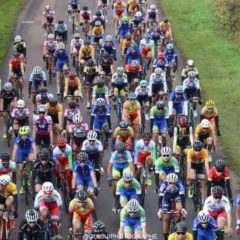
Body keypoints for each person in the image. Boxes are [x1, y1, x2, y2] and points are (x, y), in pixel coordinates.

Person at [158, 173, 187, 240]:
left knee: (179, 209)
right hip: (167, 197)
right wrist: (159, 209)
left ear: (176, 182)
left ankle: (178, 223)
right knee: (165, 217)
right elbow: (160, 198)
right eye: (170, 183)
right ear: (168, 182)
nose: (172, 185)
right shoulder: (163, 185)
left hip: (176, 195)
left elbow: (182, 198)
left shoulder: (180, 185)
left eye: (174, 183)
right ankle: (165, 236)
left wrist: (183, 209)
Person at [12, 126, 37, 194]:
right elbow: (15, 149)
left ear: (27, 134)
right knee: (20, 168)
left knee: (32, 159)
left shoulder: (30, 137)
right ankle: (22, 184)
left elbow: (34, 147)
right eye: (22, 135)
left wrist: (35, 156)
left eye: (25, 135)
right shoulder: (18, 139)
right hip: (21, 151)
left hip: (29, 149)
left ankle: (31, 172)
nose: (23, 136)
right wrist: (13, 160)